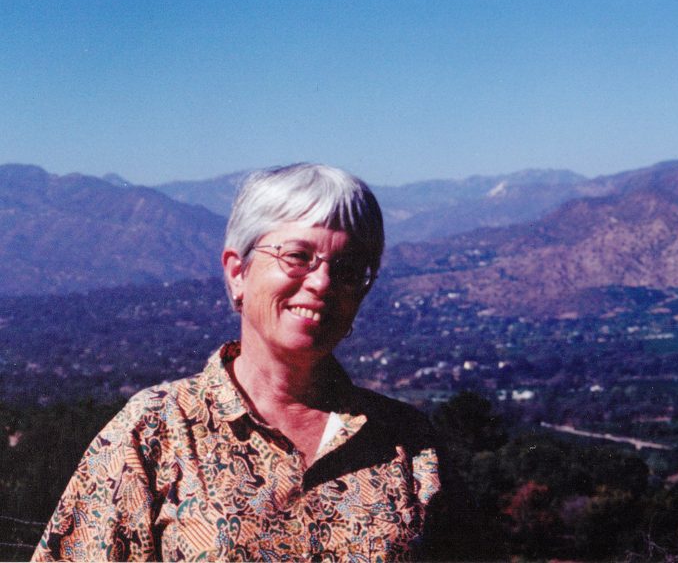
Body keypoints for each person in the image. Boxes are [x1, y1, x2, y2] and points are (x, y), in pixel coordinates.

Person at [32, 163, 454, 561]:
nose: (322, 282)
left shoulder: (410, 445)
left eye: (347, 269)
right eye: (298, 256)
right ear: (238, 272)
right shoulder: (157, 430)